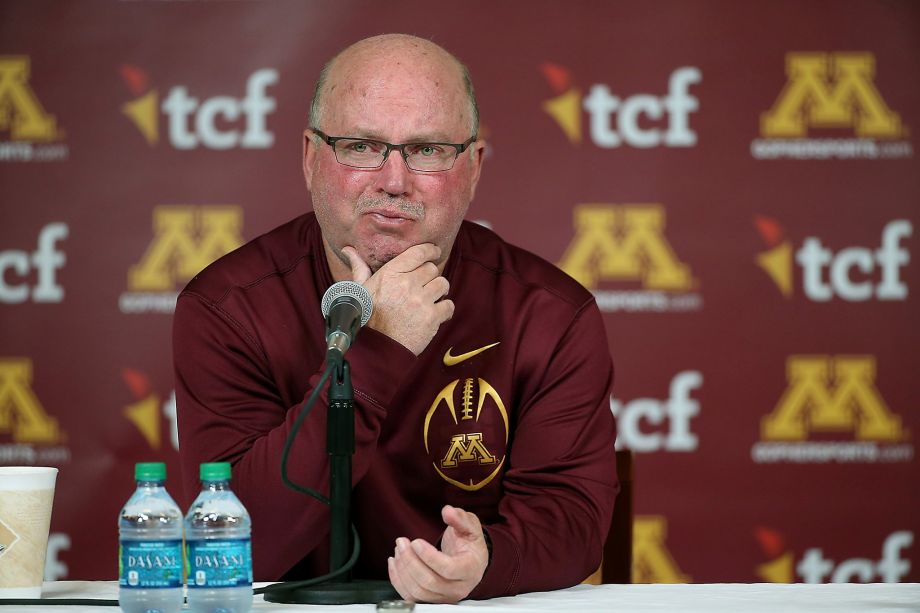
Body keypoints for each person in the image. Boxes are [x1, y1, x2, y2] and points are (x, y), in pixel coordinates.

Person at [174, 33, 618, 603]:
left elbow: (572, 522)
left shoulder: (549, 313)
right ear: (311, 158)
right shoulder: (229, 308)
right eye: (361, 146)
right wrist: (380, 352)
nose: (393, 180)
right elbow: (238, 546)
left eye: (428, 150)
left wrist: (485, 564)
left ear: (474, 167)